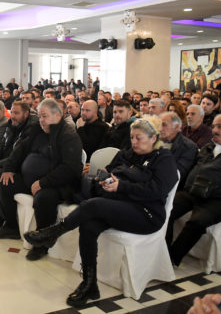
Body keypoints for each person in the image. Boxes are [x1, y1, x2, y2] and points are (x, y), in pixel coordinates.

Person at [25, 116, 177, 307]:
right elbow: (107, 172)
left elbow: (156, 190)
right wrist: (104, 180)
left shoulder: (164, 159)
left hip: (147, 214)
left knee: (93, 205)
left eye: (139, 138)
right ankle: (90, 284)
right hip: (118, 206)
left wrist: (121, 186)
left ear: (153, 138)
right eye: (132, 137)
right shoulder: (127, 154)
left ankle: (53, 232)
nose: (134, 142)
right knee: (88, 225)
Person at [0, 99, 83, 263]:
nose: (41, 120)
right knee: (2, 180)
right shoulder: (38, 130)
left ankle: (42, 243)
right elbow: (20, 150)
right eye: (40, 116)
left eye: (45, 116)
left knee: (44, 198)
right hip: (31, 180)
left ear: (57, 115)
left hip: (57, 184)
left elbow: (70, 168)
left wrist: (43, 182)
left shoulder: (68, 135)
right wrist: (9, 168)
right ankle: (11, 225)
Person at [167, 114, 221, 266]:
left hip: (219, 199)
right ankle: (163, 252)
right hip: (193, 192)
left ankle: (172, 257)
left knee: (197, 222)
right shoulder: (209, 146)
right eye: (213, 126)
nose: (214, 130)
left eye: (220, 127)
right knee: (166, 210)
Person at [160, 112, 198, 186]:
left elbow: (176, 174)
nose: (160, 128)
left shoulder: (189, 147)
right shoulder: (154, 140)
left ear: (176, 127)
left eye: (164, 125)